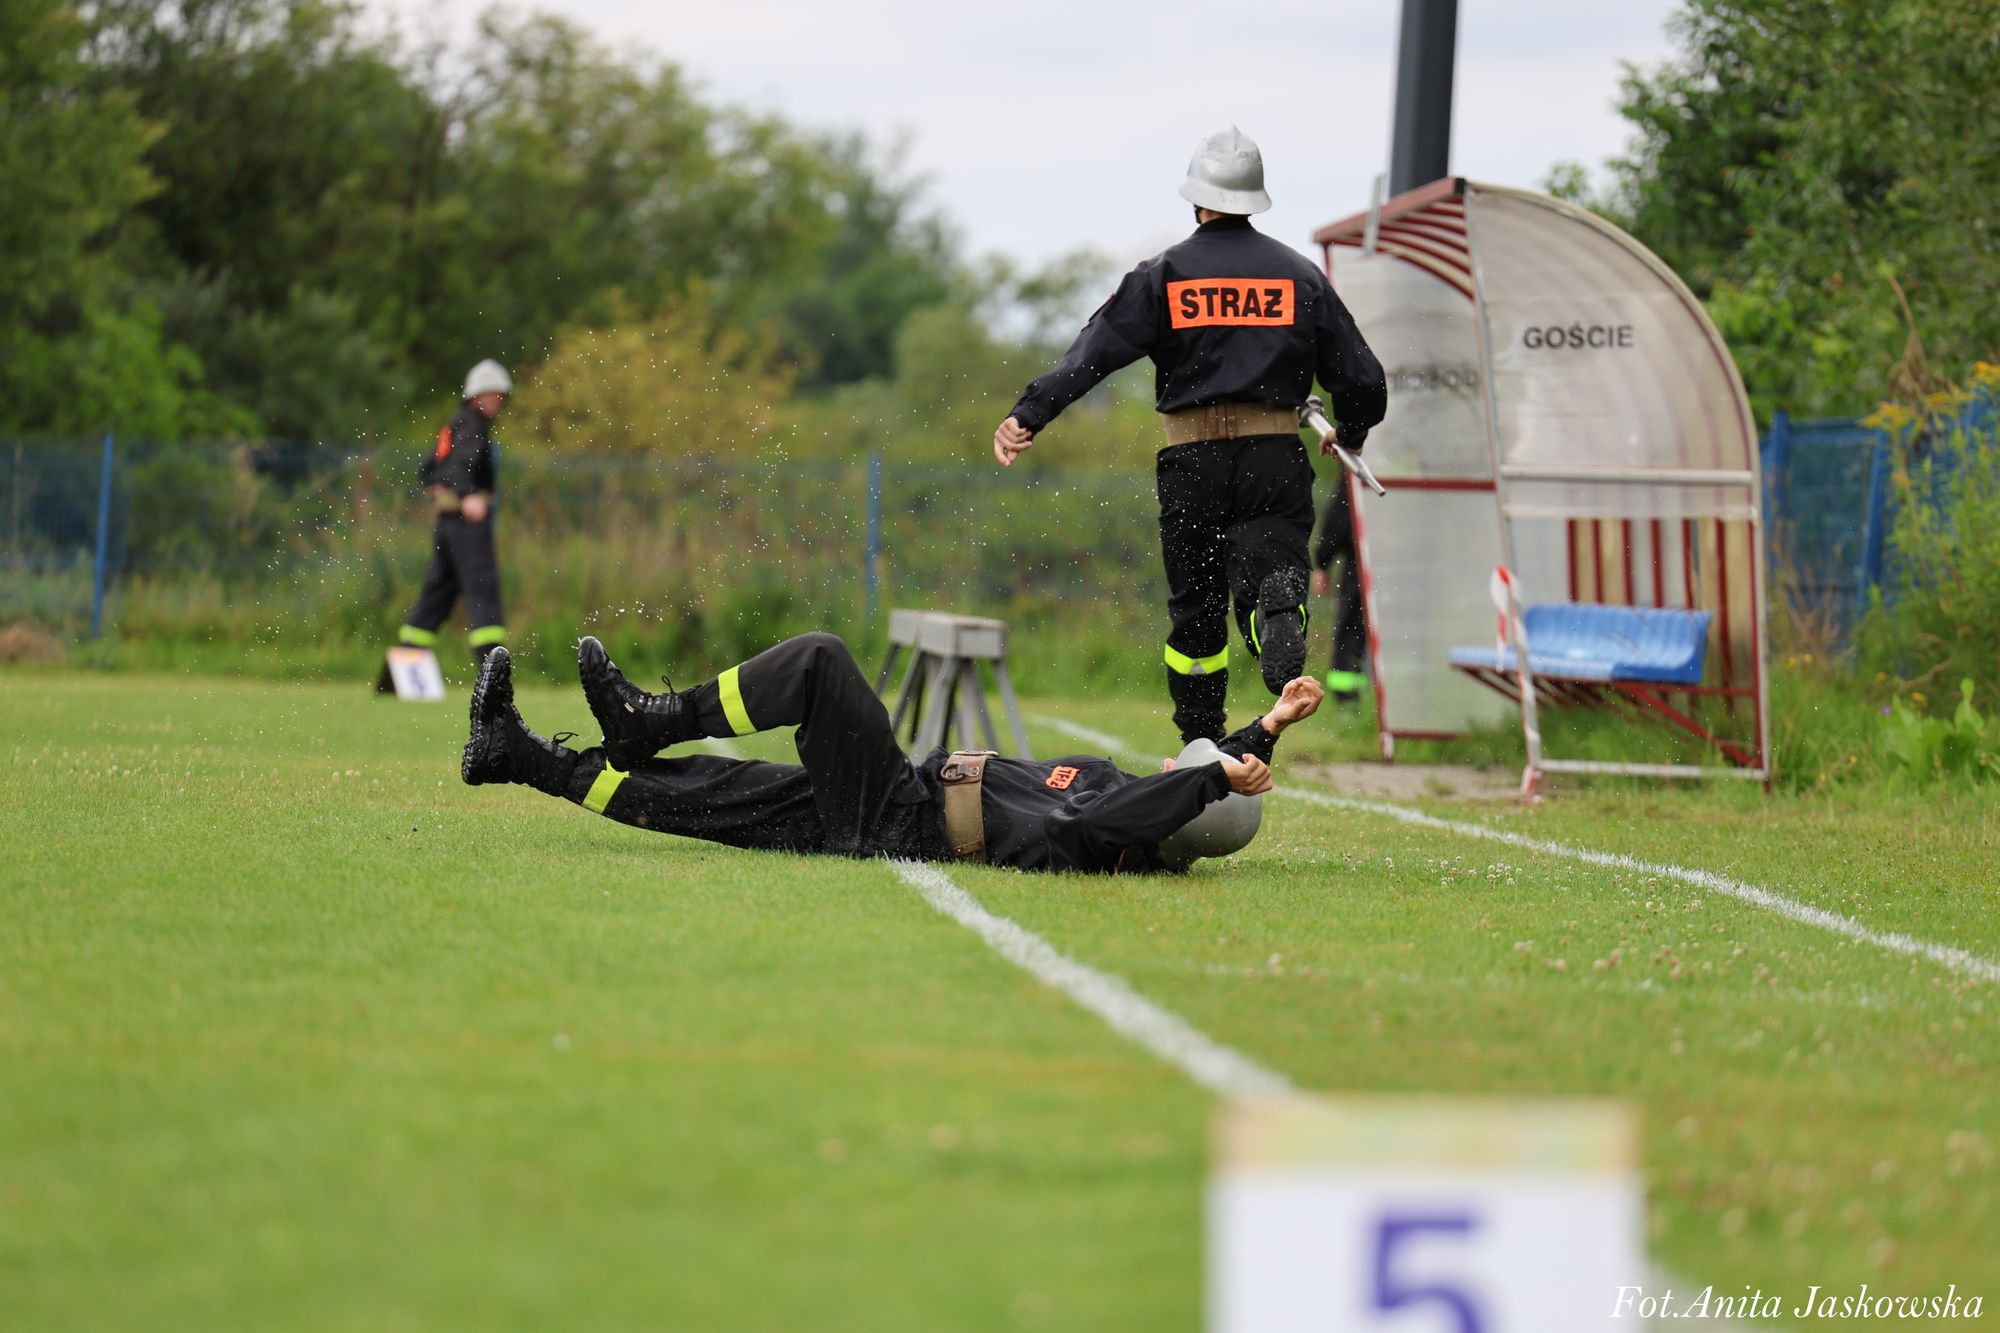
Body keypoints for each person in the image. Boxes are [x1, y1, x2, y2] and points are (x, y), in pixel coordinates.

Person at [992, 126, 1385, 746]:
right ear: (1256, 199)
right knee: (1270, 568)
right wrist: (1353, 433)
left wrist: (1029, 413)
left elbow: (1095, 352)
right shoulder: (1299, 276)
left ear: (1196, 199)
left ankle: (1200, 740)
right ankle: (1274, 613)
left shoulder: (1164, 274)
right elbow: (1363, 378)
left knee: (1196, 608)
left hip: (1192, 460)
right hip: (1274, 456)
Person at [459, 632, 1325, 874]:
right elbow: (1190, 791)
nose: (1185, 763)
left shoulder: (1116, 832)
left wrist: (1213, 777)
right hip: (896, 803)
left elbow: (1165, 804)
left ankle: (649, 718)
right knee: (709, 796)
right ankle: (517, 756)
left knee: (820, 664)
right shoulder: (1147, 807)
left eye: (1195, 776)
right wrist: (1267, 730)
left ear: (1184, 817)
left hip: (901, 821)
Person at [392, 359, 513, 667]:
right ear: (479, 395)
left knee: (438, 594)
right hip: (467, 525)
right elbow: (459, 467)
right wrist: (469, 495)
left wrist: (439, 488)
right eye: (496, 396)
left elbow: (429, 470)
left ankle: (405, 666)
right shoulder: (472, 425)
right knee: (482, 589)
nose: (499, 402)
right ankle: (492, 669)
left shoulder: (454, 423)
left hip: (447, 524)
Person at [1311, 480, 1369, 703]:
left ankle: (1348, 701)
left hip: (1361, 563)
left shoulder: (1357, 464)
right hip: (1410, 563)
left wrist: (1323, 560)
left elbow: (1340, 518)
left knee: (1351, 633)